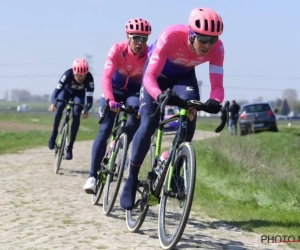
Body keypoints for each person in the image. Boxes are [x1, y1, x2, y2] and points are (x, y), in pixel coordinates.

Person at [120, 7, 225, 210]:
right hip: (157, 76)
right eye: (203, 39)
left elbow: (218, 86)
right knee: (149, 122)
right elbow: (149, 76)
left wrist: (215, 100)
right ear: (192, 34)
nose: (207, 45)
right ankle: (132, 178)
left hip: (184, 77)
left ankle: (175, 169)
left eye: (212, 40)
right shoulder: (171, 36)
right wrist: (159, 95)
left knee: (191, 110)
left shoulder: (218, 49)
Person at [83, 18, 152, 193]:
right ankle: (92, 176)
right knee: (105, 129)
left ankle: (122, 144)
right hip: (113, 90)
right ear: (128, 36)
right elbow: (106, 76)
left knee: (136, 115)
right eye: (136, 37)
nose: (140, 42)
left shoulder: (149, 54)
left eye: (144, 39)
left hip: (134, 93)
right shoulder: (117, 50)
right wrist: (110, 98)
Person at [48, 59, 94, 160]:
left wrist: (86, 109)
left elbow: (89, 98)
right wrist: (53, 103)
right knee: (59, 106)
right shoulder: (67, 74)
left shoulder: (89, 78)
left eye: (84, 75)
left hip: (79, 95)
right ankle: (54, 133)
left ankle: (70, 147)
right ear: (74, 72)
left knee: (77, 114)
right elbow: (56, 91)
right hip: (66, 92)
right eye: (79, 75)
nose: (81, 78)